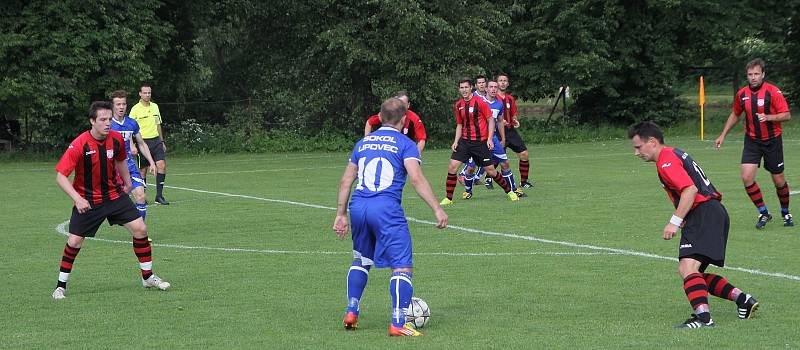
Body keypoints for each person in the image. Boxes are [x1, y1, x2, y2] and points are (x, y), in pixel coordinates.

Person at [334, 97, 448, 336]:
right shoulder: (405, 143)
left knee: (361, 260)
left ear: (380, 116)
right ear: (404, 119)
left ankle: (351, 311)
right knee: (402, 267)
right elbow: (416, 178)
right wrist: (437, 208)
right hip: (386, 209)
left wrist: (341, 214)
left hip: (358, 206)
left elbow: (346, 180)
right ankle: (398, 322)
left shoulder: (363, 143)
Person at [628, 121, 759, 329]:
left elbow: (690, 190)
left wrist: (674, 221)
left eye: (638, 147)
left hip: (704, 213)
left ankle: (703, 318)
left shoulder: (666, 160)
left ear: (652, 142)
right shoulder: (673, 153)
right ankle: (743, 299)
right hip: (711, 212)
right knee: (692, 273)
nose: (636, 153)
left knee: (687, 268)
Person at [52, 101, 170, 300]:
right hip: (89, 200)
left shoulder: (115, 139)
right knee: (74, 241)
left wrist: (128, 183)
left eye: (109, 119)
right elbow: (60, 177)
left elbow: (120, 160)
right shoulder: (79, 144)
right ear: (92, 121)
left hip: (115, 196)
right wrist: (78, 199)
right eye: (103, 120)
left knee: (140, 229)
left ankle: (147, 276)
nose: (108, 123)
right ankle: (60, 286)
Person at [715, 58, 792, 229]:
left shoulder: (773, 92)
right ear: (747, 76)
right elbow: (735, 114)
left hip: (772, 141)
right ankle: (764, 212)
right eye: (750, 74)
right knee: (746, 177)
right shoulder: (742, 94)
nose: (753, 77)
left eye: (757, 74)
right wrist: (723, 134)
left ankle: (785, 212)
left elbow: (786, 115)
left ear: (763, 74)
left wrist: (769, 117)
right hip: (752, 141)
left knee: (779, 180)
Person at [440, 78, 519, 205]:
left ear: (471, 88)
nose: (464, 90)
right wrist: (456, 141)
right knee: (452, 167)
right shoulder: (458, 105)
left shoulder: (480, 102)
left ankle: (509, 191)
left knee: (491, 171)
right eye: (461, 88)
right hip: (465, 142)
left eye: (466, 87)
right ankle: (448, 198)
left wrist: (489, 139)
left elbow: (490, 120)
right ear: (459, 89)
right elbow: (459, 125)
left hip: (480, 142)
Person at [460, 79, 525, 199]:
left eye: (495, 87)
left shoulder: (499, 104)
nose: (494, 89)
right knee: (471, 167)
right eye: (491, 87)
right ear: (486, 89)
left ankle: (513, 189)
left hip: (493, 139)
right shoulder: (477, 101)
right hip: (478, 140)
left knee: (505, 163)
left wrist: (503, 138)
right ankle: (468, 191)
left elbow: (500, 121)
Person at [110, 90, 156, 224]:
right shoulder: (107, 124)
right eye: (118, 104)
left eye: (123, 104)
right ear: (112, 106)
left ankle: (140, 232)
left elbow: (141, 143)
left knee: (141, 196)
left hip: (129, 167)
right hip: (111, 169)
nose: (121, 107)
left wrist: (151, 162)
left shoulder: (131, 123)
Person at [130, 83, 169, 205]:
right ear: (140, 94)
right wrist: (132, 144)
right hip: (142, 142)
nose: (147, 95)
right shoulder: (135, 109)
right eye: (145, 93)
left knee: (161, 165)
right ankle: (143, 196)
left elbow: (158, 124)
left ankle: (159, 196)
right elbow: (130, 127)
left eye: (149, 93)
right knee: (143, 170)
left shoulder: (155, 107)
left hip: (156, 141)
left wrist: (162, 141)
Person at [497, 72, 533, 188]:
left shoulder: (510, 99)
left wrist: (515, 121)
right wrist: (499, 122)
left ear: (507, 84)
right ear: (496, 83)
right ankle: (472, 179)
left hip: (510, 131)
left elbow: (513, 115)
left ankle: (524, 182)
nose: (502, 82)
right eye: (500, 80)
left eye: (505, 81)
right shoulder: (492, 99)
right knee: (496, 162)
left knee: (524, 154)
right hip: (497, 133)